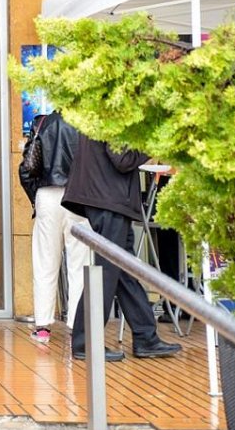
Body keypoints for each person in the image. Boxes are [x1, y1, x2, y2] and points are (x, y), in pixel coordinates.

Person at [64, 133, 182, 362]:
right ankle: (85, 342)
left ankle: (145, 336)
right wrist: (151, 143)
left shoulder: (104, 114)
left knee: (124, 271)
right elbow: (123, 159)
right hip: (108, 199)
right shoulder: (114, 116)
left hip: (106, 197)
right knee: (106, 272)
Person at [28, 111, 90, 344]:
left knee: (45, 262)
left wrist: (35, 198)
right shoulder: (88, 121)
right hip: (79, 195)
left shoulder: (43, 122)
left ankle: (42, 327)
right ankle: (76, 326)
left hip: (47, 195)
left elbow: (26, 168)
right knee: (80, 264)